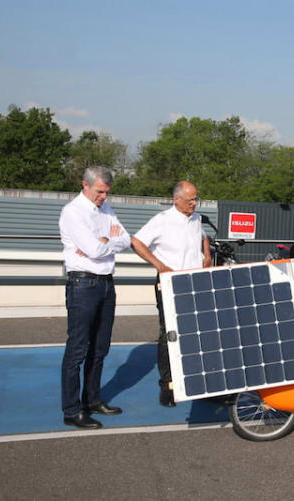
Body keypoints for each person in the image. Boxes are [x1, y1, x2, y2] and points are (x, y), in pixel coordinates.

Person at [59, 166, 131, 429]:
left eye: (107, 192)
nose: (103, 197)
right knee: (78, 349)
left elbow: (125, 239)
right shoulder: (72, 212)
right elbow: (93, 248)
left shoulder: (106, 210)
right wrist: (104, 243)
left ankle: (92, 400)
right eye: (100, 191)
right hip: (83, 284)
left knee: (100, 348)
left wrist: (105, 242)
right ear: (85, 185)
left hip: (105, 284)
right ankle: (71, 409)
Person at [131, 181, 212, 407]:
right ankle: (167, 385)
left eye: (196, 199)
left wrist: (206, 255)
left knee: (196, 332)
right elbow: (136, 242)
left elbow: (204, 236)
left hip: (195, 283)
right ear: (176, 199)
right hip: (170, 282)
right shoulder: (162, 220)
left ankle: (198, 380)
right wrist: (160, 266)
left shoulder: (195, 219)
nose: (194, 204)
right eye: (190, 200)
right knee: (169, 334)